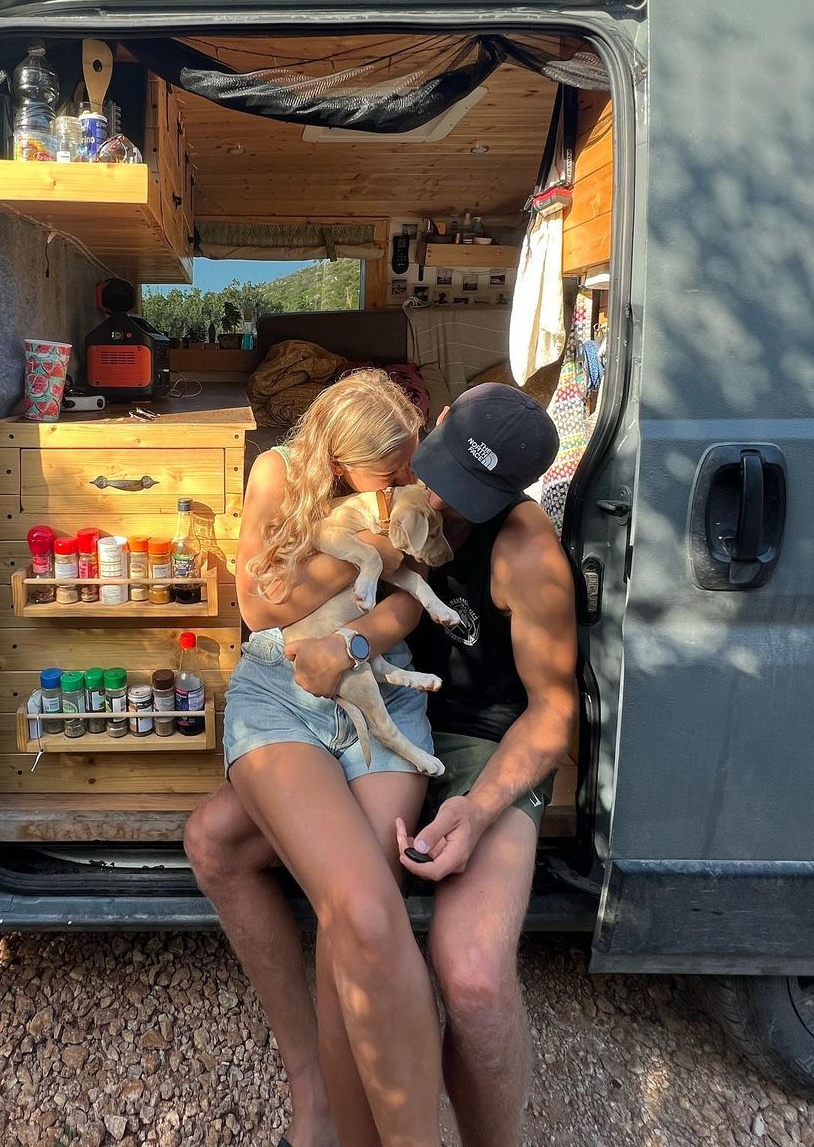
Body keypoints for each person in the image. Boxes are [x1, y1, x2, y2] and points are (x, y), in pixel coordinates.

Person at [185, 382, 579, 1147]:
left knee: (469, 972)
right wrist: (355, 636)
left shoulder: (528, 554)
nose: (434, 497)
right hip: (371, 710)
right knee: (217, 841)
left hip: (478, 749)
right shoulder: (387, 483)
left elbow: (554, 713)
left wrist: (478, 806)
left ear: (510, 492)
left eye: (465, 495)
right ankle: (320, 1095)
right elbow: (285, 601)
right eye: (429, 471)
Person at [219, 369, 444, 1147]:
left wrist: (357, 634)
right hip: (283, 692)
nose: (408, 480)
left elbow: (413, 594)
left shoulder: (404, 479)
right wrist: (364, 550)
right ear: (344, 464)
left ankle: (342, 1120)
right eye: (393, 471)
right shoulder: (278, 472)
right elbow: (257, 606)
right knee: (366, 913)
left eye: (410, 463)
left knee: (358, 918)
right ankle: (318, 1101)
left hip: (380, 687)